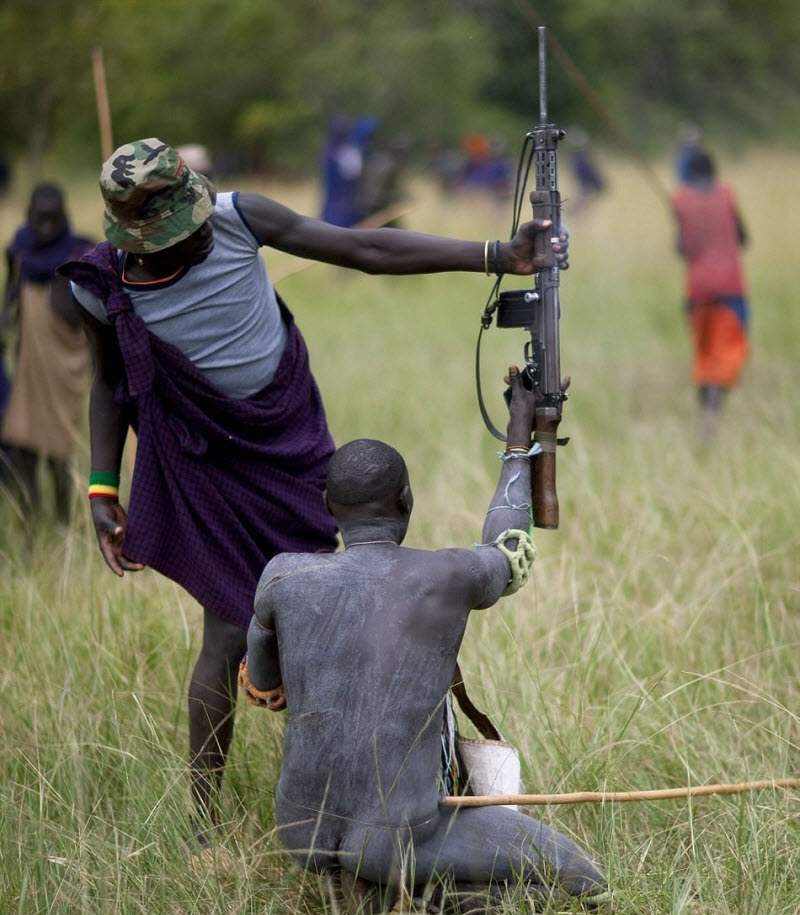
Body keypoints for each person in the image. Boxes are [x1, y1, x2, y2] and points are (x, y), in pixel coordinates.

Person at [56, 137, 568, 845]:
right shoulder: (99, 287)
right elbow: (112, 390)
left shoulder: (240, 218)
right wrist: (101, 485)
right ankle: (203, 823)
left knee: (324, 601)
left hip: (288, 439)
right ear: (140, 242)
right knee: (228, 628)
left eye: (197, 220)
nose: (201, 236)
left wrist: (495, 255)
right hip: (206, 464)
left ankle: (358, 778)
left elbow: (366, 250)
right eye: (181, 234)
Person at [241, 367, 606, 915]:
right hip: (396, 836)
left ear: (328, 508)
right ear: (407, 502)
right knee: (584, 877)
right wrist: (517, 438)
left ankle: (364, 887)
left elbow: (263, 688)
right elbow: (511, 547)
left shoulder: (281, 578)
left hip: (301, 830)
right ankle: (422, 899)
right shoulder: (447, 575)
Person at [1, 183, 92, 522]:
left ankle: (63, 524)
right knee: (24, 446)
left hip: (64, 365)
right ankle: (30, 523)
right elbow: (11, 295)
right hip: (28, 365)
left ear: (64, 217)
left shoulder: (79, 252)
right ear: (28, 217)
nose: (46, 228)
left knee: (57, 451)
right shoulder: (19, 250)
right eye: (40, 220)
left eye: (53, 220)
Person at [671, 149, 749, 441]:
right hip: (730, 288)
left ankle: (706, 415)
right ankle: (710, 418)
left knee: (704, 356)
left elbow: (683, 249)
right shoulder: (727, 195)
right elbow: (743, 238)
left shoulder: (680, 201)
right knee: (725, 354)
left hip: (698, 291)